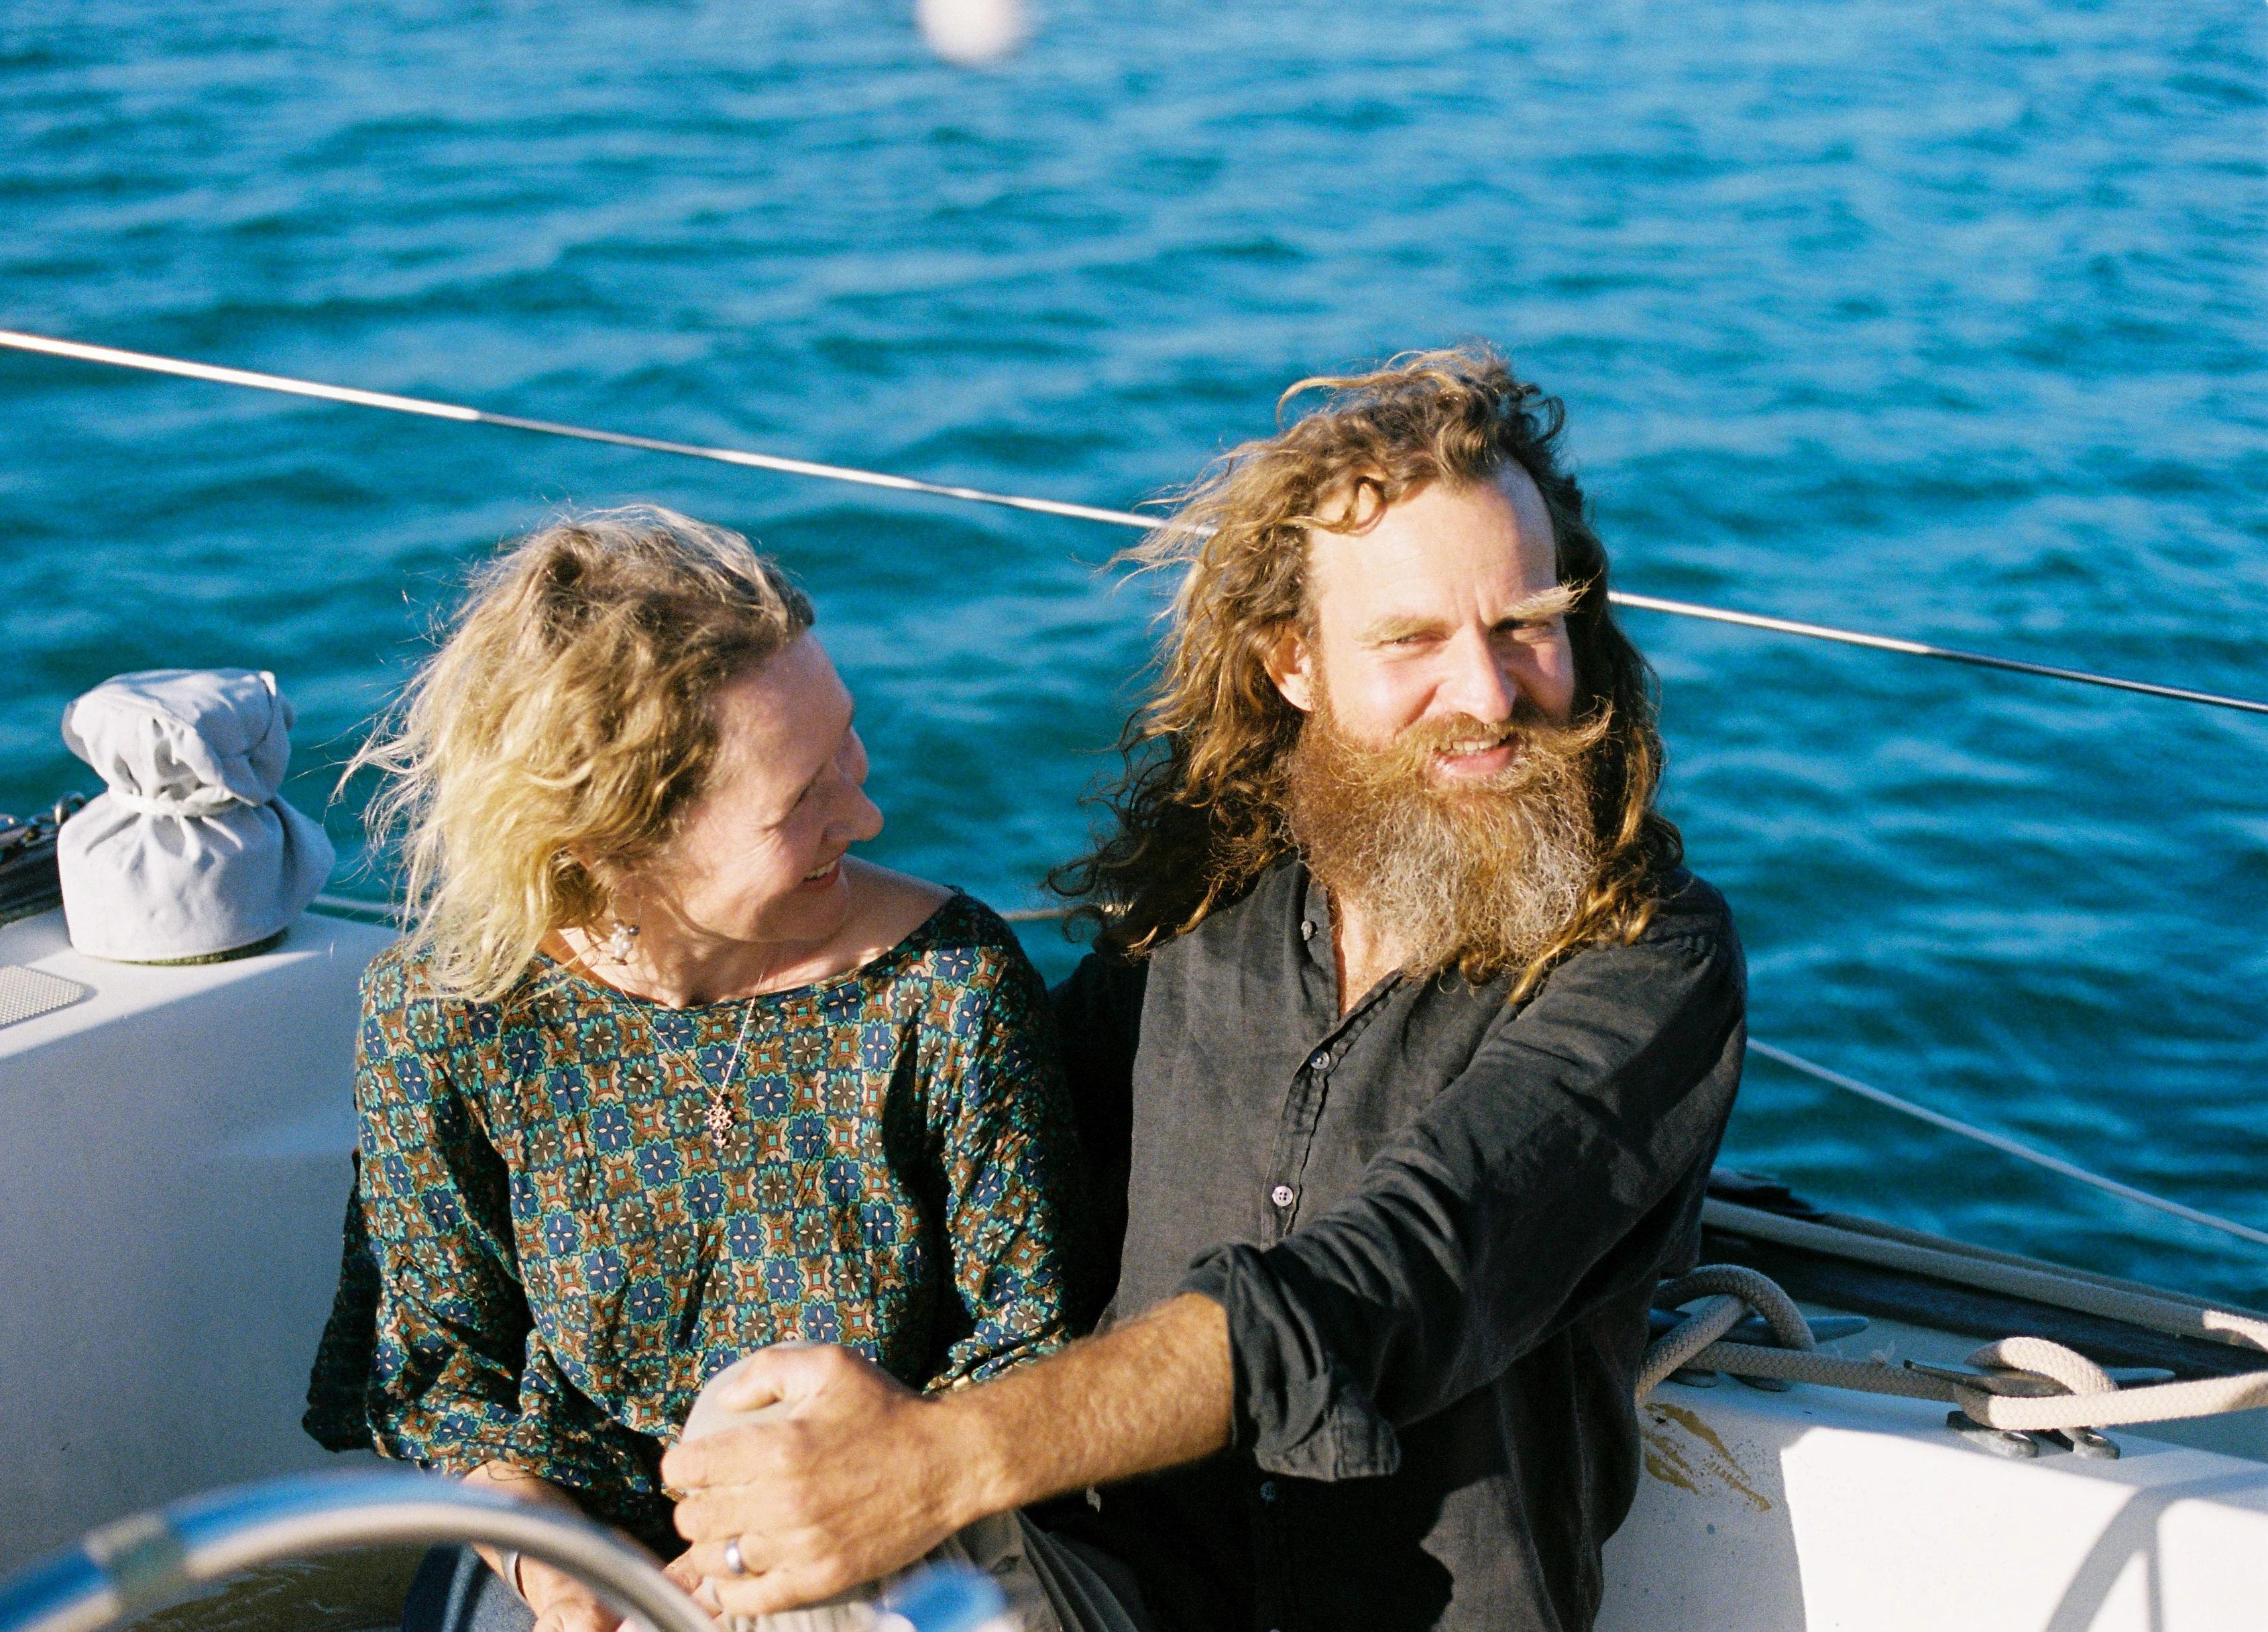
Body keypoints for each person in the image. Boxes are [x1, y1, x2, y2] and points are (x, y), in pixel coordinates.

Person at [653, 349, 1746, 1632]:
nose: (1489, 693)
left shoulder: (1645, 960)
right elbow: (988, 1171)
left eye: (1525, 625)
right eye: (1412, 640)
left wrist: (939, 1462)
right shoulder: (1196, 904)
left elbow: (1392, 1281)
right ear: (1293, 663)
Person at [300, 507, 1092, 1632]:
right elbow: (439, 1368)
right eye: (799, 798)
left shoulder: (946, 987)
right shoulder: (446, 1016)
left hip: (891, 1538)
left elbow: (1029, 1337)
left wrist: (775, 1558)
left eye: (844, 746)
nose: (865, 809)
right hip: (570, 1558)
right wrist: (547, 1552)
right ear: (612, 848)